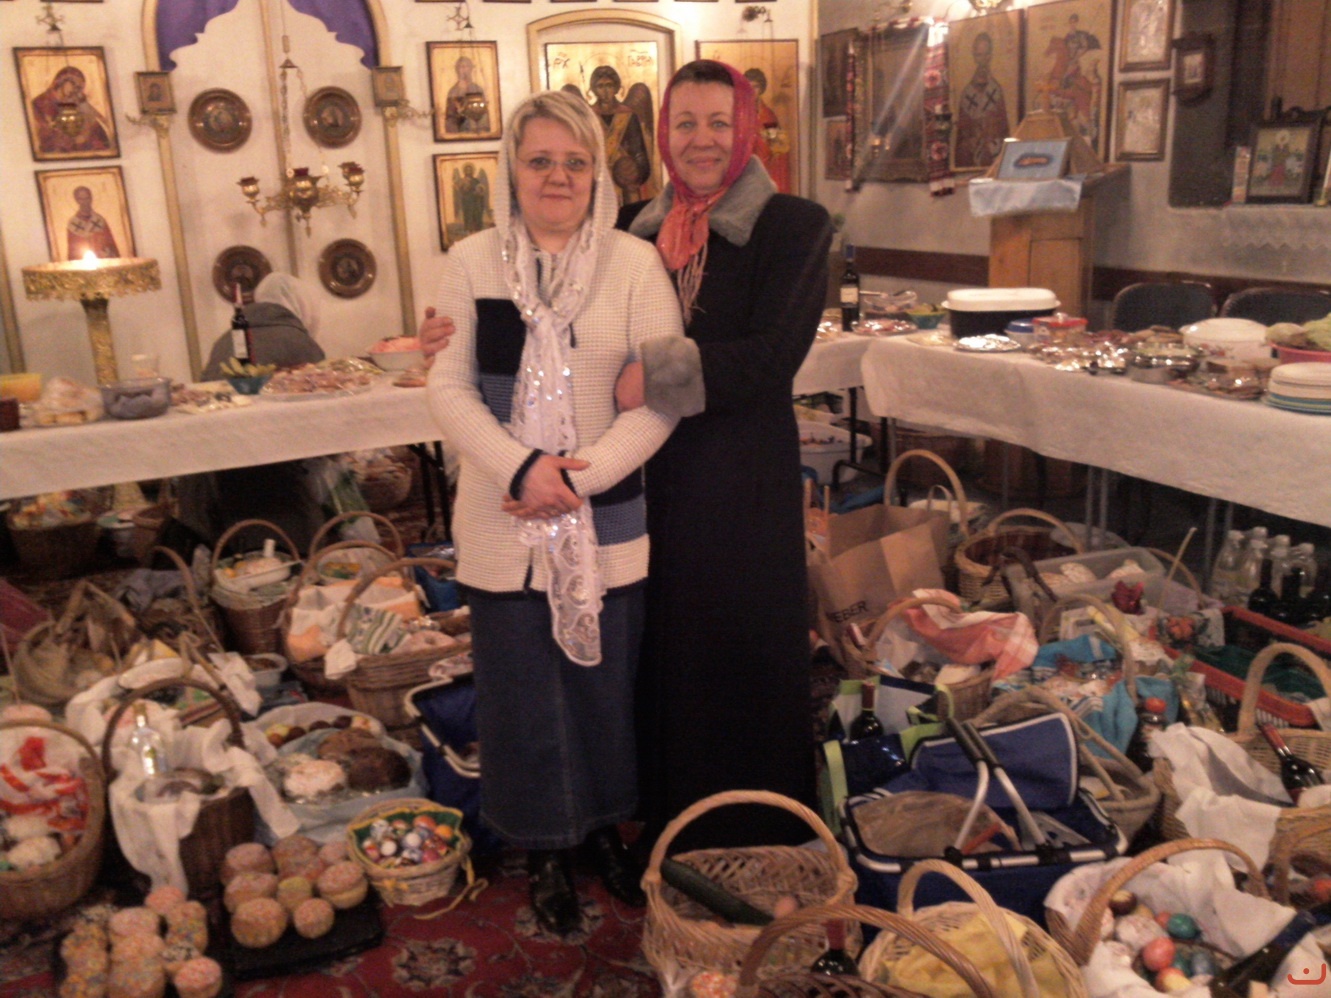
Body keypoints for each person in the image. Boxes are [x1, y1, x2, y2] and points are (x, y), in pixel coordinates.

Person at [419, 61, 832, 853]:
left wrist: (644, 395)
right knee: (639, 667)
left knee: (728, 653)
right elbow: (461, 373)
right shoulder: (642, 223)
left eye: (719, 122)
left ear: (747, 128)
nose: (702, 140)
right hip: (647, 488)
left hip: (732, 482)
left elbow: (773, 353)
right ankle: (653, 814)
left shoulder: (787, 225)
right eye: (685, 123)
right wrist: (458, 357)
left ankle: (746, 825)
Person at [425, 91, 683, 937]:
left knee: (602, 689)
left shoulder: (634, 266)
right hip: (500, 520)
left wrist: (580, 478)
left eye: (575, 162)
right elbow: (448, 388)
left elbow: (664, 397)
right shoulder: (469, 262)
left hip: (607, 518)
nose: (557, 177)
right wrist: (521, 467)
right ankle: (541, 847)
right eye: (540, 160)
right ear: (512, 169)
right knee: (520, 695)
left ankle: (602, 830)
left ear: (598, 174)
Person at [178, 274, 331, 554]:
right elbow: (320, 420)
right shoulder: (299, 342)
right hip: (276, 473)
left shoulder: (225, 339)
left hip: (210, 473)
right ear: (303, 307)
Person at [587, 65, 654, 206]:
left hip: (625, 181)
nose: (605, 91)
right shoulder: (588, 116)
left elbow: (639, 152)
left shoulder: (628, 115)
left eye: (609, 85)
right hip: (597, 180)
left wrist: (636, 171)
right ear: (594, 89)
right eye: (600, 86)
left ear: (617, 87)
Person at [954, 32, 1010, 170]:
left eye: (986, 54)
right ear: (974, 56)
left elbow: (1003, 127)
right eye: (979, 55)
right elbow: (962, 131)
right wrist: (972, 137)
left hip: (992, 147)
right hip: (972, 149)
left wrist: (990, 132)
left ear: (990, 55)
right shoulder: (967, 93)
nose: (983, 59)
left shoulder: (995, 90)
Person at [31, 65, 113, 156]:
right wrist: (75, 139)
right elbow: (45, 134)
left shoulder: (72, 101)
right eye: (73, 84)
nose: (75, 90)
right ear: (61, 80)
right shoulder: (41, 103)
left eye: (79, 88)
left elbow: (94, 123)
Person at [744, 67, 792, 194]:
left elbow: (776, 145)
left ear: (761, 89)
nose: (752, 91)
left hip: (764, 167)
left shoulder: (767, 115)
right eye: (749, 87)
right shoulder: (740, 114)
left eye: (755, 87)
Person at [66, 186, 119, 260]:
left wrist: (106, 252)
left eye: (87, 198)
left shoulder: (99, 220)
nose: (85, 202)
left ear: (91, 198)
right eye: (81, 199)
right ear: (77, 200)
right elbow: (72, 251)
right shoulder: (73, 224)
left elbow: (110, 245)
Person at [445, 56, 491, 134]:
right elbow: (450, 117)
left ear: (471, 69)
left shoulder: (477, 89)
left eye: (466, 67)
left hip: (477, 130)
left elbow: (484, 113)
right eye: (461, 67)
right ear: (457, 70)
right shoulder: (453, 91)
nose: (464, 70)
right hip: (460, 130)